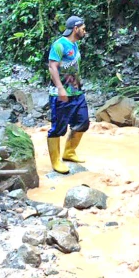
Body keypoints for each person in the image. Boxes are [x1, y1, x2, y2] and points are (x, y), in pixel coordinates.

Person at [46, 15, 90, 174]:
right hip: (60, 94)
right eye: (83, 28)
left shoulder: (75, 44)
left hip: (77, 92)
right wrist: (60, 88)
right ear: (75, 29)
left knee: (83, 122)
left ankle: (69, 152)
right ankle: (56, 161)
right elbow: (52, 67)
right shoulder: (59, 45)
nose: (85, 31)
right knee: (58, 128)